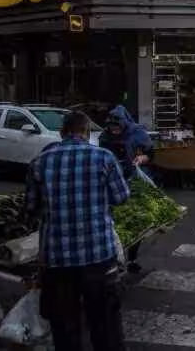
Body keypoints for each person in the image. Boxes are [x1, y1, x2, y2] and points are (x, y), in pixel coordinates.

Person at [26, 111, 129, 351]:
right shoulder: (104, 157)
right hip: (99, 258)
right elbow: (121, 197)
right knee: (105, 328)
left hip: (57, 261)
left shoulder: (40, 162)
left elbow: (31, 208)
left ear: (62, 133)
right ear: (87, 132)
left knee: (65, 330)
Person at [99, 105, 154, 273]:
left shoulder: (137, 132)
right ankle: (116, 257)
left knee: (135, 221)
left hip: (134, 180)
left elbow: (151, 153)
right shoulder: (104, 137)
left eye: (117, 127)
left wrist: (141, 158)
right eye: (112, 128)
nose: (114, 131)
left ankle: (132, 259)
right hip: (113, 181)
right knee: (115, 222)